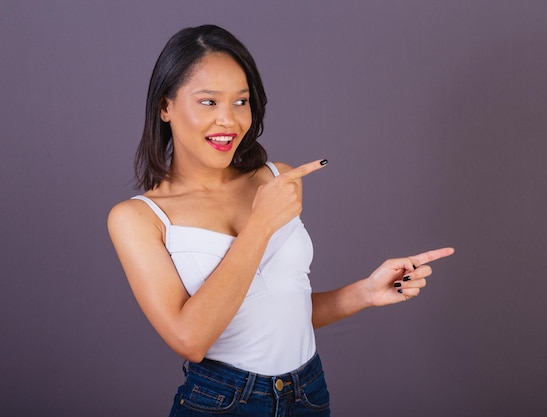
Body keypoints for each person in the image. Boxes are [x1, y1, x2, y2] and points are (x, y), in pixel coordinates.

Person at [107, 24, 454, 417]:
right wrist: (259, 225)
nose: (229, 120)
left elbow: (280, 312)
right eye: (208, 102)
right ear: (165, 107)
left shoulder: (278, 180)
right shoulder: (138, 218)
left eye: (241, 101)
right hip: (223, 402)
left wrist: (366, 292)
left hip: (308, 392)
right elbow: (191, 340)